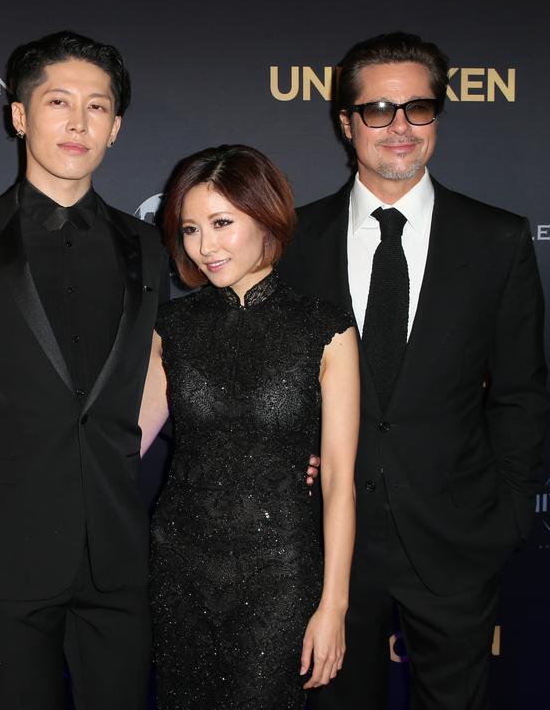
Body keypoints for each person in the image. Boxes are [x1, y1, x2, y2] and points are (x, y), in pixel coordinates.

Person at [276, 33, 550, 710]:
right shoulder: (293, 241)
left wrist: (507, 512)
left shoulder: (498, 238)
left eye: (418, 108)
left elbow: (520, 393)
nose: (399, 127)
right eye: (378, 109)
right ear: (347, 122)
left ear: (438, 117)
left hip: (457, 538)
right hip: (326, 545)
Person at [0, 32, 168, 710]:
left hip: (117, 544)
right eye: (58, 102)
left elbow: (160, 365)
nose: (77, 122)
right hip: (5, 541)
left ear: (116, 128)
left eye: (97, 107)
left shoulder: (149, 243)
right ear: (19, 115)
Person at [138, 144, 360, 709]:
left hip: (280, 573)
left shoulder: (325, 329)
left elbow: (338, 479)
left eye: (221, 223)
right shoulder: (173, 327)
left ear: (265, 217)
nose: (204, 246)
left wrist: (333, 605)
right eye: (190, 229)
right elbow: (124, 441)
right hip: (179, 568)